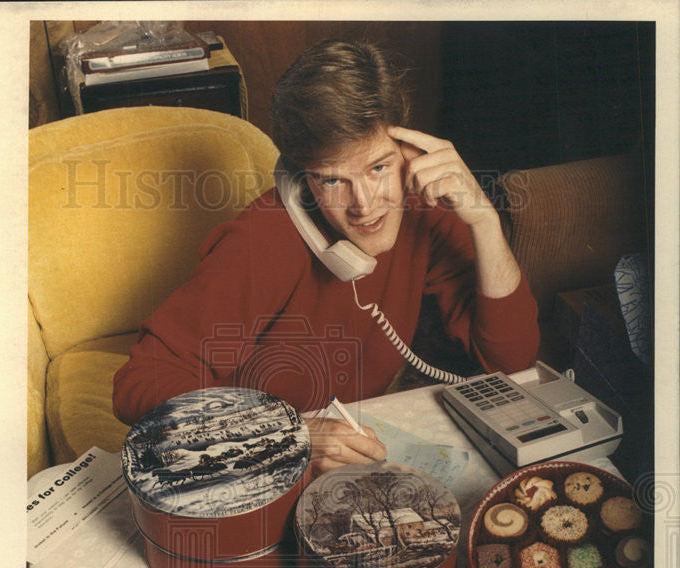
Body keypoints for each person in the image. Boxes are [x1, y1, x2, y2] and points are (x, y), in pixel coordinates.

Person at [113, 39, 540, 474]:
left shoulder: (423, 205)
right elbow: (139, 384)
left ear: (409, 149)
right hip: (255, 458)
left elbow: (509, 361)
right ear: (301, 181)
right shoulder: (261, 239)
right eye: (334, 180)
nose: (365, 205)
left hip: (353, 441)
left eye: (378, 168)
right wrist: (283, 434)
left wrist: (484, 220)